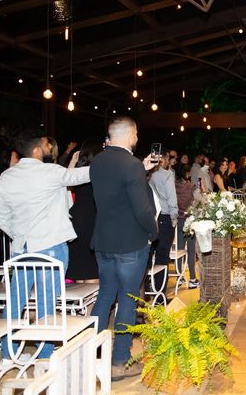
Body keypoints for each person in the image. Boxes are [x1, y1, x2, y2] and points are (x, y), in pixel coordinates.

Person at [0, 130, 89, 360]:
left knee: (17, 298)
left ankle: (8, 353)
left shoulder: (6, 177)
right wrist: (110, 162)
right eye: (46, 144)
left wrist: (19, 234)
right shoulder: (50, 172)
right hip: (50, 246)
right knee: (47, 300)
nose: (49, 147)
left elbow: (0, 217)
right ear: (37, 150)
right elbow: (79, 177)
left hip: (22, 249)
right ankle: (44, 352)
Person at [89, 117, 158, 381]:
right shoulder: (131, 165)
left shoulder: (98, 161)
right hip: (130, 243)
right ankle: (119, 360)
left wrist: (142, 167)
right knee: (128, 299)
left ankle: (91, 352)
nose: (137, 138)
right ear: (131, 134)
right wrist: (153, 231)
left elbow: (115, 190)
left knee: (105, 296)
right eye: (136, 133)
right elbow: (142, 209)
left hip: (103, 242)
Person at [66, 139, 103, 282]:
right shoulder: (100, 172)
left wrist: (73, 162)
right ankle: (91, 305)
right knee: (93, 273)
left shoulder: (78, 172)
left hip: (76, 219)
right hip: (94, 219)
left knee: (81, 273)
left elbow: (66, 181)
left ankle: (82, 304)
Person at [148, 149, 178, 295]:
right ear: (164, 159)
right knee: (162, 255)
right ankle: (160, 295)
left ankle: (146, 291)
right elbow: (172, 199)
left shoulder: (146, 173)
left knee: (148, 254)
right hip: (165, 217)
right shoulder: (166, 175)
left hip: (150, 216)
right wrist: (174, 217)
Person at [174, 164, 198, 289]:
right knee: (191, 250)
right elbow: (192, 202)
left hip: (178, 220)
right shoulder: (188, 186)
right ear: (186, 173)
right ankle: (193, 279)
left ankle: (180, 277)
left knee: (180, 250)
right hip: (188, 219)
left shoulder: (173, 185)